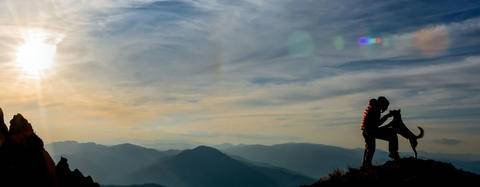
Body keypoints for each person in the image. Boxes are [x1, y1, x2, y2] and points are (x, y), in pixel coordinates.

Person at [361, 96, 400, 168]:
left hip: (366, 131)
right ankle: (393, 153)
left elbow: (374, 124)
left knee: (369, 148)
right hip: (370, 131)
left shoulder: (372, 107)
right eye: (386, 106)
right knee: (392, 134)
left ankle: (365, 165)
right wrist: (387, 117)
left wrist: (386, 118)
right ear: (382, 104)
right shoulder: (376, 110)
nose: (386, 108)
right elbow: (377, 124)